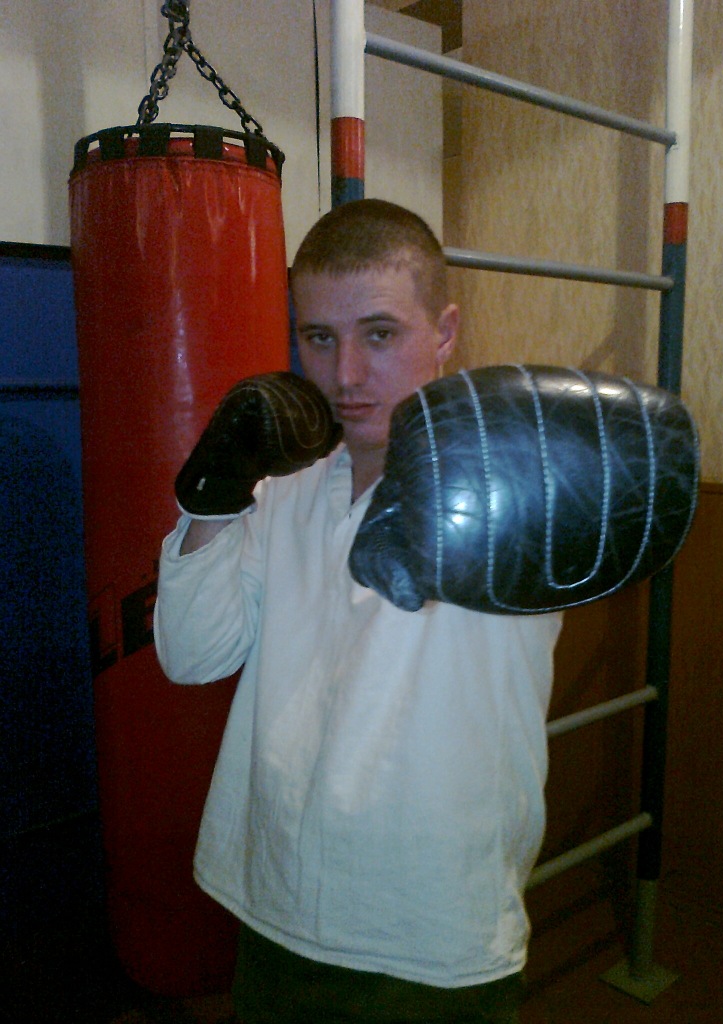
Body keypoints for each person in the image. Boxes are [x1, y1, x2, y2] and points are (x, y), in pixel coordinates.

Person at [154, 199, 563, 1023]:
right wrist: (215, 493)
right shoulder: (285, 490)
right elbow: (192, 655)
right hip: (274, 903)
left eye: (379, 334)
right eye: (318, 337)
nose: (344, 374)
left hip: (426, 933)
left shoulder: (516, 488)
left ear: (445, 332)